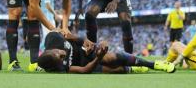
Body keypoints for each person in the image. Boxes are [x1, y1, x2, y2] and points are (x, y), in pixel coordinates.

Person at [5, 0, 71, 71]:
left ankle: (34, 63)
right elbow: (34, 5)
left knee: (32, 16)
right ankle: (12, 61)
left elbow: (67, 2)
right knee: (16, 12)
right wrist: (52, 27)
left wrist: (65, 26)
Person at [38, 32, 175, 74]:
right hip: (89, 63)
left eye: (59, 52)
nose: (63, 54)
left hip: (86, 51)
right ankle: (134, 68)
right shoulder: (59, 68)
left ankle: (154, 64)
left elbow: (70, 36)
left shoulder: (52, 38)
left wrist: (85, 40)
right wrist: (99, 58)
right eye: (61, 58)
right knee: (115, 70)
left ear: (50, 49)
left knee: (112, 58)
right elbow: (84, 69)